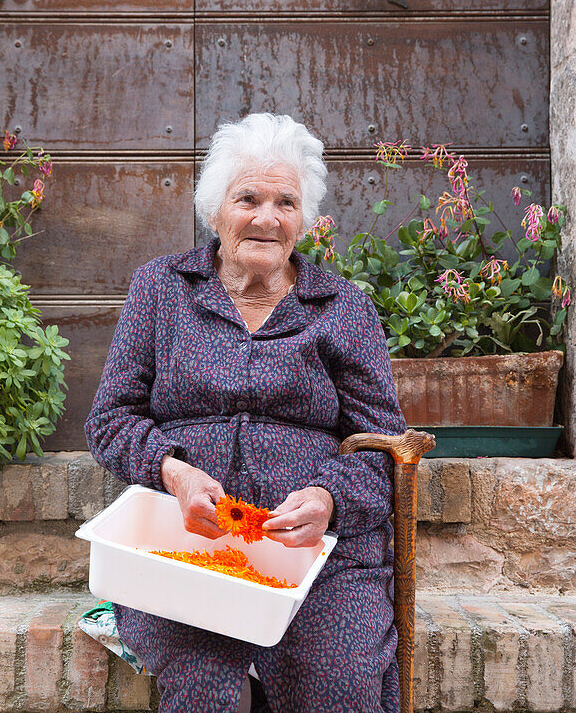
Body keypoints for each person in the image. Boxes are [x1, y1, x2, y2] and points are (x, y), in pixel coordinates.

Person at [85, 112, 405, 712]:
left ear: (303, 221)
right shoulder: (161, 288)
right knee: (205, 687)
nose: (266, 217)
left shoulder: (343, 308)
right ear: (215, 211)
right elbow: (111, 420)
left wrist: (329, 498)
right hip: (187, 552)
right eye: (248, 198)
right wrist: (171, 470)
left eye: (286, 202)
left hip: (314, 557)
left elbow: (382, 444)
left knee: (338, 682)